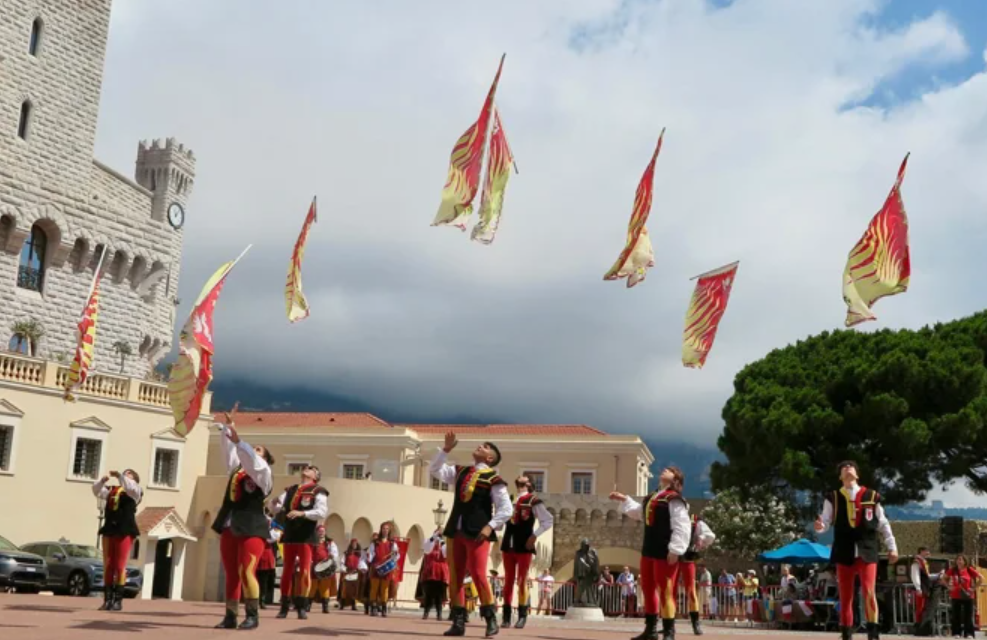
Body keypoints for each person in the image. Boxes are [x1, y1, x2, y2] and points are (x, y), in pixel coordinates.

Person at [429, 431, 512, 637]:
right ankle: (458, 621)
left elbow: (506, 509)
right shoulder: (461, 471)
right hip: (456, 529)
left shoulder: (494, 479)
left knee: (477, 573)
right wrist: (446, 449)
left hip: (478, 533)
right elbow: (435, 469)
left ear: (490, 458)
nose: (480, 446)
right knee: (455, 575)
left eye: (485, 447)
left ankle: (491, 618)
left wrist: (490, 526)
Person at [814, 460, 898, 640]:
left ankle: (873, 633)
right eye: (843, 467)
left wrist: (892, 547)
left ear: (857, 474)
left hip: (867, 550)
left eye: (850, 466)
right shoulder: (833, 497)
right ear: (840, 476)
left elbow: (883, 524)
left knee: (869, 591)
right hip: (844, 550)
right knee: (845, 596)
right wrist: (820, 526)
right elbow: (826, 522)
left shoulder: (871, 496)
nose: (847, 468)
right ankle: (846, 633)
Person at [210, 405, 275, 630]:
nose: (254, 451)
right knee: (231, 573)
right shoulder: (237, 471)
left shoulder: (263, 474)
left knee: (247, 570)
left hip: (252, 527)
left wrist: (239, 441)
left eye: (258, 449)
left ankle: (252, 615)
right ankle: (230, 616)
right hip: (230, 524)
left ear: (265, 458)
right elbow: (231, 453)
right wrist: (229, 428)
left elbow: (251, 460)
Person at [611, 466, 691, 640]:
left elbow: (682, 525)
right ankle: (651, 630)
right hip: (648, 549)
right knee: (647, 588)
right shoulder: (653, 496)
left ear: (676, 479)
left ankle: (669, 632)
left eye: (669, 470)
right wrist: (624, 499)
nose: (664, 470)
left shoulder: (674, 499)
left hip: (664, 550)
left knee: (666, 590)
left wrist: (675, 550)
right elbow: (640, 513)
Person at [268, 463, 329, 619]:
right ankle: (284, 606)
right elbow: (275, 509)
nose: (306, 469)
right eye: (306, 468)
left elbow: (321, 512)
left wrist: (302, 513)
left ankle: (301, 606)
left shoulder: (318, 491)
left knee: (304, 571)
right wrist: (273, 502)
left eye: (311, 469)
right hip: (290, 534)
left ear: (315, 476)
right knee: (287, 571)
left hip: (306, 535)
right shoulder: (292, 489)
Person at [498, 475, 554, 629]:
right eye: (520, 476)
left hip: (524, 545)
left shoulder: (533, 501)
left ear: (529, 483)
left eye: (525, 477)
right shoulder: (509, 498)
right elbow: (500, 518)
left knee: (522, 580)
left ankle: (522, 615)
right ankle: (506, 617)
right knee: (508, 581)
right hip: (507, 544)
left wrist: (534, 536)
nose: (521, 477)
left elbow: (548, 520)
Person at [92, 469, 142, 611]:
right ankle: (107, 600)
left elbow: (129, 486)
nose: (125, 476)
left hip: (124, 530)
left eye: (129, 475)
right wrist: (102, 481)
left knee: (120, 566)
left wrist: (120, 476)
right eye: (125, 474)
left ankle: (118, 601)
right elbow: (96, 491)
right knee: (108, 565)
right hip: (109, 529)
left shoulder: (135, 491)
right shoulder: (112, 490)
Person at [678, 514, 716, 634]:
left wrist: (700, 538)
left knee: (691, 590)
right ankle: (667, 624)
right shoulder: (669, 517)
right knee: (669, 590)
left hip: (687, 558)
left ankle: (696, 623)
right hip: (671, 558)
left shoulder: (694, 520)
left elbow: (710, 535)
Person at [366, 521, 399, 617]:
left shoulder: (392, 543)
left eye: (387, 529)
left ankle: (384, 609)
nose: (385, 530)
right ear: (381, 530)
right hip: (376, 568)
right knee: (374, 589)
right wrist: (370, 562)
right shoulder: (375, 543)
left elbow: (397, 555)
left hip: (386, 570)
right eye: (383, 529)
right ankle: (373, 608)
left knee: (385, 589)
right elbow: (370, 554)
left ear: (389, 531)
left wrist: (395, 555)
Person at [947, 554, 979, 638]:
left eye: (961, 560)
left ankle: (969, 633)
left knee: (968, 615)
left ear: (965, 561)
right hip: (955, 595)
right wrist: (949, 587)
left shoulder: (969, 570)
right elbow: (943, 578)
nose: (959, 561)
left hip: (968, 595)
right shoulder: (953, 570)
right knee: (956, 615)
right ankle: (956, 633)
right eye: (958, 559)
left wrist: (974, 588)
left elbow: (981, 578)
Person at [421, 529, 450, 620]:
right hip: (430, 571)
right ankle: (426, 612)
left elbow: (446, 554)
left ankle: (439, 613)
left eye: (440, 535)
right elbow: (426, 548)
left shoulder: (445, 545)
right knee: (428, 593)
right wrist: (433, 538)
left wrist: (442, 542)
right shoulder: (429, 542)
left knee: (439, 595)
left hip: (441, 572)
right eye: (437, 534)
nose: (438, 536)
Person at [308, 529, 339, 614]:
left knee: (325, 587)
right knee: (312, 587)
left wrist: (332, 556)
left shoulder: (329, 542)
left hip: (325, 567)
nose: (321, 532)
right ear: (317, 532)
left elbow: (334, 552)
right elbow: (309, 552)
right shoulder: (312, 542)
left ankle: (325, 607)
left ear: (325, 532)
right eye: (319, 531)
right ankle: (308, 606)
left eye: (323, 531)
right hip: (314, 566)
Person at [256, 514, 281, 609]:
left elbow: (272, 539)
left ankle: (263, 600)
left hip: (267, 557)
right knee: (257, 580)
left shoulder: (272, 532)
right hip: (258, 556)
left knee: (265, 581)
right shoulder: (258, 530)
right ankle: (256, 599)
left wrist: (270, 529)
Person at [339, 539, 364, 611]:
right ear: (351, 544)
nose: (354, 545)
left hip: (355, 573)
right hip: (347, 573)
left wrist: (360, 569)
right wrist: (345, 570)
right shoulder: (346, 553)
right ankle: (342, 604)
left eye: (355, 543)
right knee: (345, 590)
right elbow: (342, 562)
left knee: (354, 590)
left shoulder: (359, 554)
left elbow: (361, 563)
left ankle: (353, 605)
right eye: (353, 543)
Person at [911, 547, 932, 624]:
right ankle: (918, 624)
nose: (928, 553)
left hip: (925, 587)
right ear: (921, 551)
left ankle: (922, 623)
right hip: (921, 587)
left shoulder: (923, 562)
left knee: (924, 607)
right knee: (920, 606)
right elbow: (915, 575)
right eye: (927, 551)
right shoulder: (917, 562)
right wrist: (918, 588)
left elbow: (927, 575)